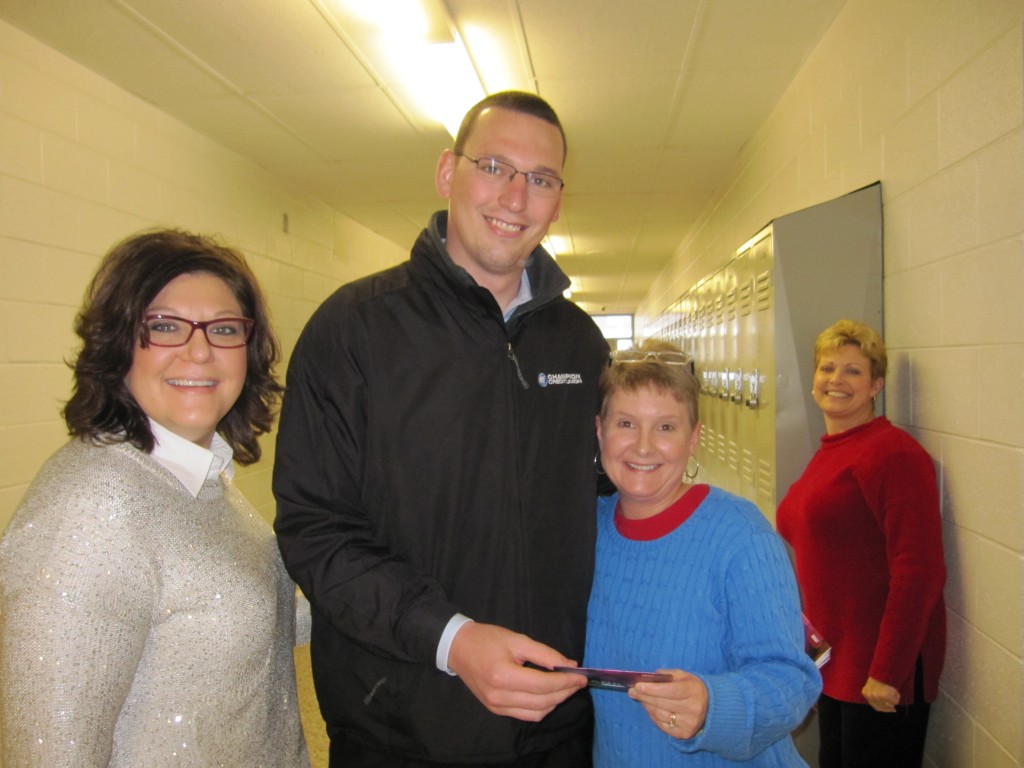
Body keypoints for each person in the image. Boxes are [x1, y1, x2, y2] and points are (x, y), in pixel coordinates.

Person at [272, 90, 610, 766]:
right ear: (448, 172)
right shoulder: (354, 331)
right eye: (494, 167)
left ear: (558, 201)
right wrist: (451, 639)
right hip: (402, 729)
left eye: (541, 179)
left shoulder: (579, 344)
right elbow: (316, 530)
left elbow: (609, 502)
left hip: (554, 727)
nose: (515, 197)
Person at [0, 229, 310, 767]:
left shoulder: (202, 478)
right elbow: (50, 752)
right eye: (165, 326)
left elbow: (253, 622)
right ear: (119, 344)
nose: (200, 350)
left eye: (224, 329)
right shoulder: (91, 507)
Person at [585, 338, 821, 767]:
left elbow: (793, 683)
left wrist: (713, 706)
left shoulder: (740, 535)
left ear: (693, 438)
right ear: (600, 431)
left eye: (666, 427)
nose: (643, 446)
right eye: (626, 423)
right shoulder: (586, 532)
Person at [776, 320, 946, 768]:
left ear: (876, 385)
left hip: (879, 673)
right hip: (837, 664)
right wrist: (814, 661)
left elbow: (920, 571)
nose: (836, 379)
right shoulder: (834, 450)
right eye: (827, 367)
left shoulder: (893, 454)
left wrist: (887, 672)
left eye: (853, 371)